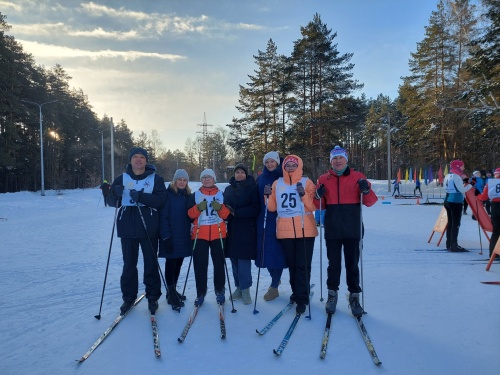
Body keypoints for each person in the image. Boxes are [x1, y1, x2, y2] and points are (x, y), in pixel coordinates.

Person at [314, 146, 378, 317]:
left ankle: (354, 296)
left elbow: (371, 202)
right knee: (333, 264)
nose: (338, 161)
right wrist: (317, 195)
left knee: (352, 264)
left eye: (340, 158)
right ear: (331, 161)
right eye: (334, 158)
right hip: (333, 228)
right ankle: (332, 294)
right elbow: (316, 205)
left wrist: (366, 189)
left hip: (353, 228)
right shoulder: (323, 179)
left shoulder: (358, 177)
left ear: (346, 160)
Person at [106, 147, 167, 315]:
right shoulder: (121, 178)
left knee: (150, 263)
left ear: (146, 161)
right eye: (135, 157)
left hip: (148, 227)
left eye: (142, 157)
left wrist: (142, 197)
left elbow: (161, 201)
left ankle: (153, 296)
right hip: (127, 227)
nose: (138, 160)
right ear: (130, 160)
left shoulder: (156, 179)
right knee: (129, 265)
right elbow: (111, 202)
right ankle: (128, 297)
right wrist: (115, 194)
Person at [264, 154, 318, 314]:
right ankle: (297, 292)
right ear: (283, 167)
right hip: (285, 230)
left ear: (299, 166)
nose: (290, 168)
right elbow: (272, 208)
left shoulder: (306, 182)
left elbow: (313, 207)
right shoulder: (277, 183)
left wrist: (303, 195)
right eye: (288, 165)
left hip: (305, 229)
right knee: (293, 265)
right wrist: (267, 196)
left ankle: (302, 298)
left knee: (303, 265)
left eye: (294, 165)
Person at [187, 169, 230, 307]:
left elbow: (227, 215)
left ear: (214, 179)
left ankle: (220, 291)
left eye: (209, 177)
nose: (206, 179)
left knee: (219, 264)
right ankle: (201, 293)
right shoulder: (195, 195)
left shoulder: (221, 195)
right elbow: (189, 215)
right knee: (200, 265)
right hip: (200, 234)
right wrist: (198, 208)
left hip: (219, 233)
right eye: (204, 177)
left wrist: (220, 208)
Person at [223, 163, 260, 305]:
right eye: (237, 172)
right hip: (231, 229)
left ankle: (246, 289)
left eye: (242, 172)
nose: (239, 174)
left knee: (243, 261)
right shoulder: (228, 189)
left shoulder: (252, 187)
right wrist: (225, 212)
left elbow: (255, 208)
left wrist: (237, 213)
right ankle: (238, 287)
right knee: (234, 260)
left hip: (246, 228)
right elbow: (224, 206)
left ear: (246, 174)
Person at [158, 169, 192, 311]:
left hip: (184, 236)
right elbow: (163, 217)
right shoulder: (168, 195)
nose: (182, 182)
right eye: (180, 180)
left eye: (185, 180)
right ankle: (170, 293)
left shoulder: (187, 196)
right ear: (175, 181)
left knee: (178, 263)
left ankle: (172, 291)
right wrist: (166, 236)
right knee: (171, 264)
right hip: (171, 236)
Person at [256, 151, 286, 301]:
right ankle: (275, 277)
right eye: (267, 162)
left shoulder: (284, 176)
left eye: (272, 161)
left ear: (277, 162)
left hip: (279, 218)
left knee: (277, 252)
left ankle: (274, 286)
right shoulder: (261, 177)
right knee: (264, 251)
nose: (269, 164)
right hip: (263, 218)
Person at [443, 160, 471, 252]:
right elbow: (462, 189)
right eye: (462, 166)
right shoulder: (456, 176)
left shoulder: (448, 175)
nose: (463, 168)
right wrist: (471, 184)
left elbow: (447, 187)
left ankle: (449, 243)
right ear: (458, 167)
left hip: (448, 199)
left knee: (451, 223)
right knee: (456, 224)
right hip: (455, 201)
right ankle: (454, 245)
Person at [478, 168, 500, 258]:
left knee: (495, 232)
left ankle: (493, 254)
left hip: (495, 207)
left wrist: (477, 196)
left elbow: (483, 197)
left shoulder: (490, 183)